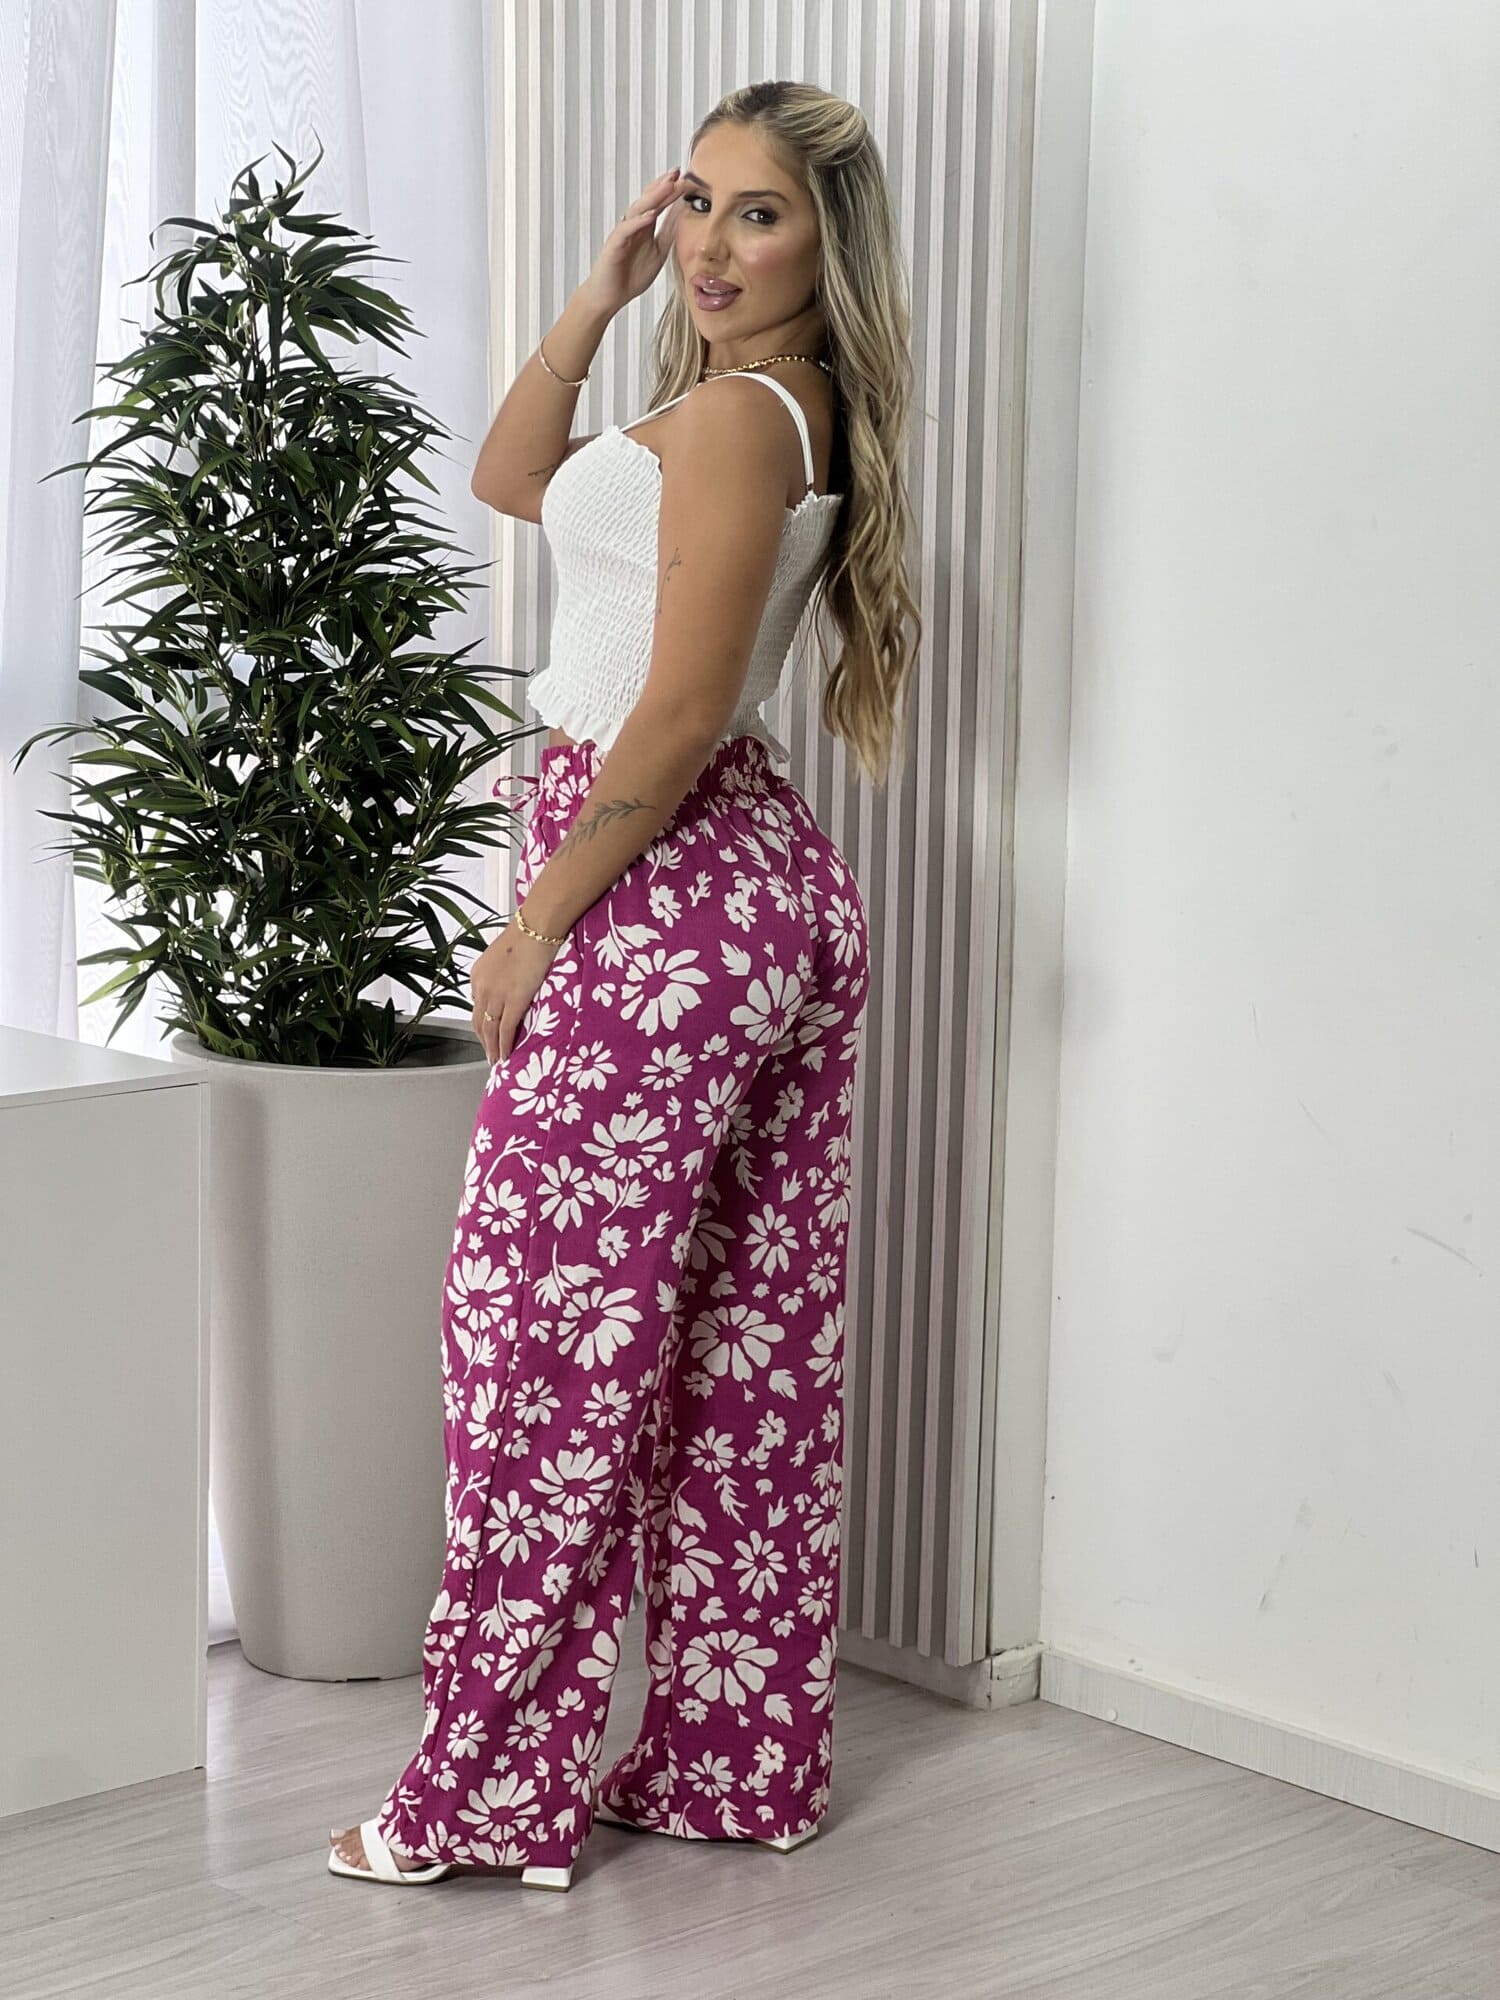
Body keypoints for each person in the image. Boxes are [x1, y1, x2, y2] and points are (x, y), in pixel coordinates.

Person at [329, 78, 920, 1891]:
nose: (716, 245)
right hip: (747, 900)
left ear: (827, 243)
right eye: (701, 204)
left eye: (761, 214)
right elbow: (510, 479)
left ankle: (482, 1799)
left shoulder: (742, 418)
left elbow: (674, 710)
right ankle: (731, 1771)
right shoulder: (742, 399)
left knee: (539, 1351)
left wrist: (535, 924)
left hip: (662, 900)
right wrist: (601, 293)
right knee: (741, 1352)